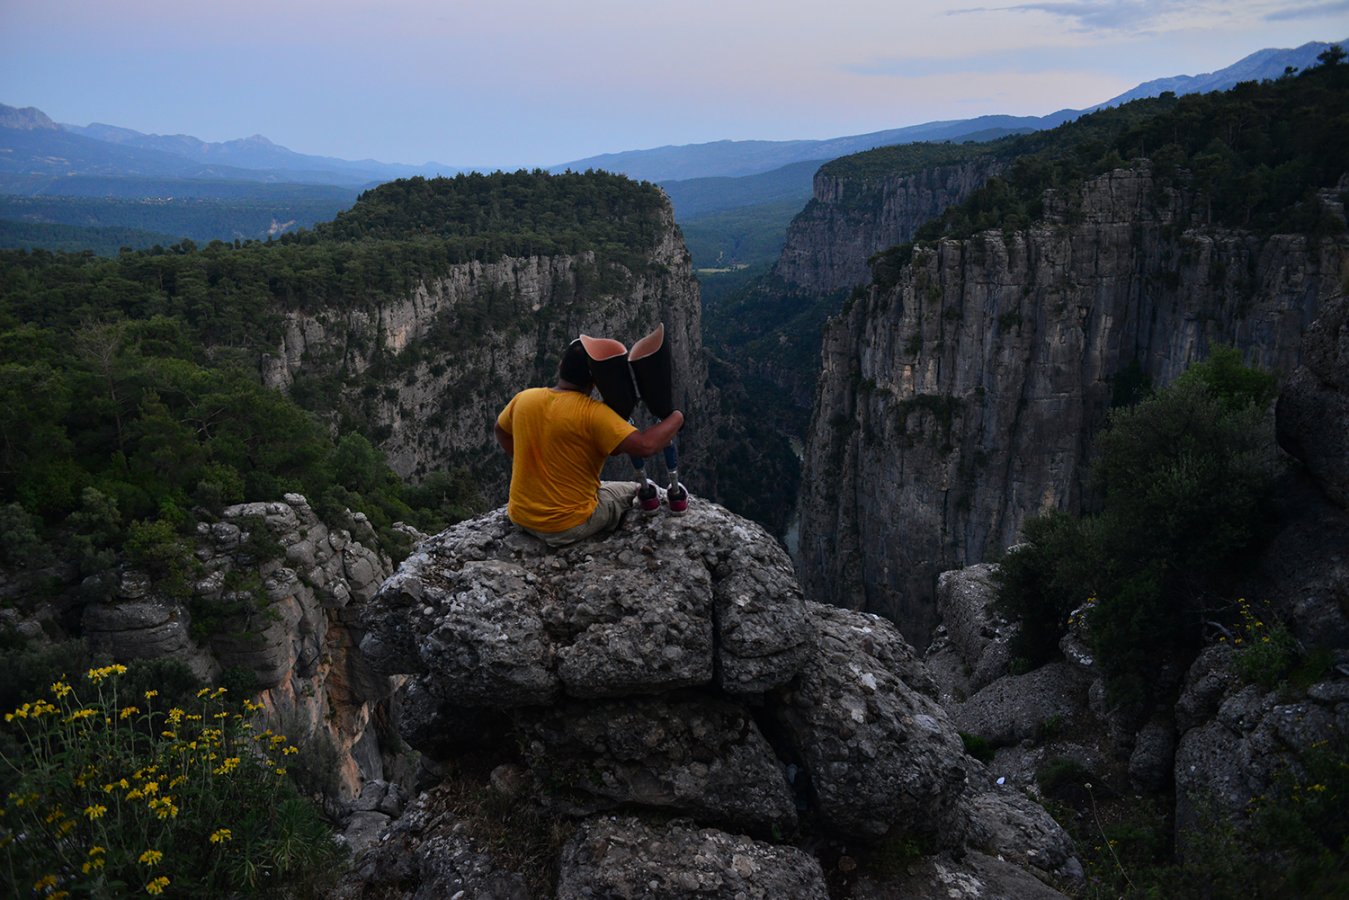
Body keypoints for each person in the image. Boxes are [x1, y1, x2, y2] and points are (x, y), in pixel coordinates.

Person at [494, 339, 684, 548]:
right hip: (566, 526)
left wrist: (531, 463)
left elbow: (500, 431)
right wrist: (677, 417)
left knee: (603, 487)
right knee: (638, 489)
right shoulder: (594, 414)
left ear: (560, 368)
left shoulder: (524, 399)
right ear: (595, 384)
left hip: (520, 516)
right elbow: (646, 446)